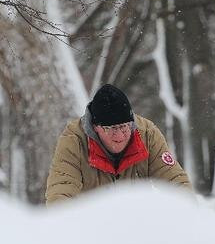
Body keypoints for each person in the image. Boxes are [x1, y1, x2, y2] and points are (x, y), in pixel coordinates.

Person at [45, 84, 191, 203]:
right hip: (91, 228)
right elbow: (60, 195)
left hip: (138, 225)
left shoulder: (147, 135)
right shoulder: (74, 142)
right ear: (96, 127)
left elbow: (175, 181)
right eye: (111, 129)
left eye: (124, 126)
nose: (120, 135)